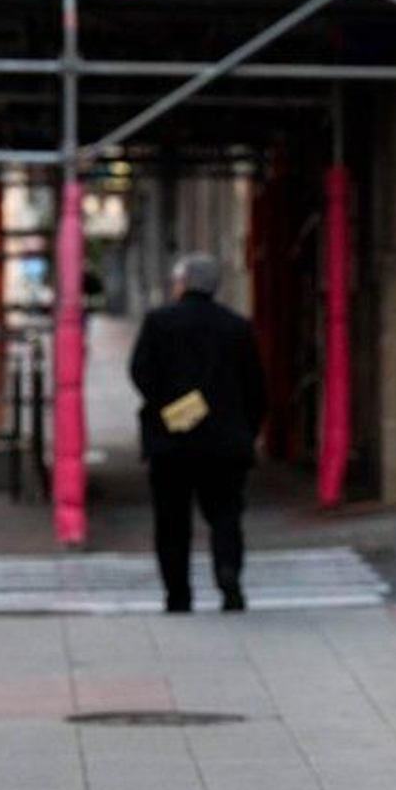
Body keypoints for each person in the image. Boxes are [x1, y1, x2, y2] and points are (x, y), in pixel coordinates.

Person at [129, 253, 266, 613]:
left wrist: (170, 406)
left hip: (171, 441)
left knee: (172, 520)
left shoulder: (159, 322)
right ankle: (227, 572)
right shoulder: (237, 326)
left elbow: (140, 371)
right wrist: (247, 431)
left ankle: (178, 593)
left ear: (183, 282)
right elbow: (256, 388)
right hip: (224, 442)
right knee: (225, 514)